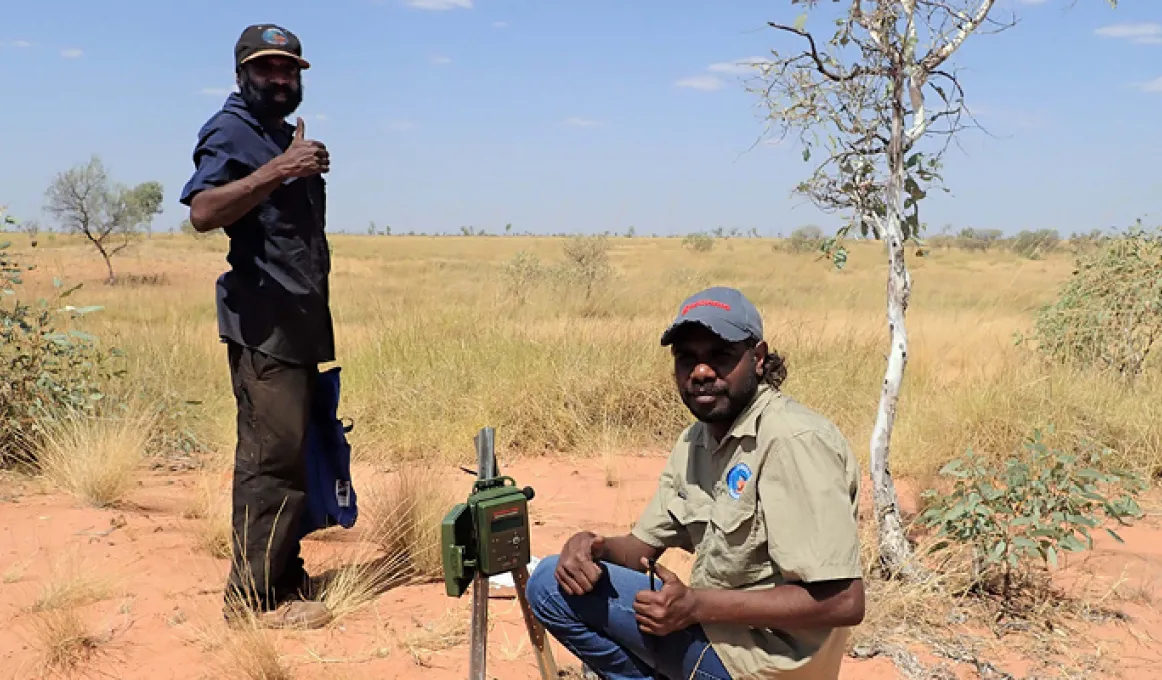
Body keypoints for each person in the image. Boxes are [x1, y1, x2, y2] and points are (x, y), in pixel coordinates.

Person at [526, 286, 865, 679]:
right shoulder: (696, 440)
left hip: (764, 664)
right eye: (687, 359)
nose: (701, 372)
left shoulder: (792, 440)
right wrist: (591, 547)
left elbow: (844, 602)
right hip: (720, 636)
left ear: (757, 358)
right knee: (556, 578)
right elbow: (641, 548)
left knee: (549, 586)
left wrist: (697, 606)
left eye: (719, 356)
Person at [178, 23, 334, 629]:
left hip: (294, 323)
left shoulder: (272, 134)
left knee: (290, 457)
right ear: (242, 73)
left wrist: (293, 164)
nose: (280, 78)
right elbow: (203, 210)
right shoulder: (231, 131)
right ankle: (251, 602)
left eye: (289, 69)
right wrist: (280, 169)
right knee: (268, 461)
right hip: (262, 324)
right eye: (268, 68)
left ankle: (282, 575)